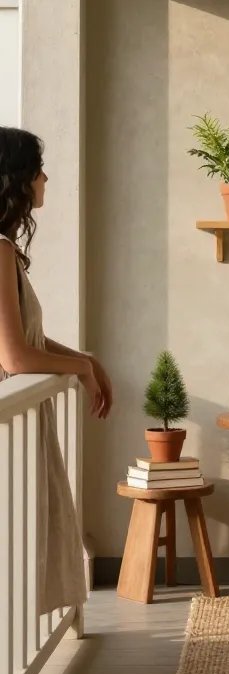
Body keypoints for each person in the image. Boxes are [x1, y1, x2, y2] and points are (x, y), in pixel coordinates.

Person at [0, 126, 112, 613]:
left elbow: (32, 340)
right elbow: (15, 358)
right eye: (38, 170)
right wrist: (81, 367)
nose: (45, 179)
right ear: (16, 178)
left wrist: (86, 360)